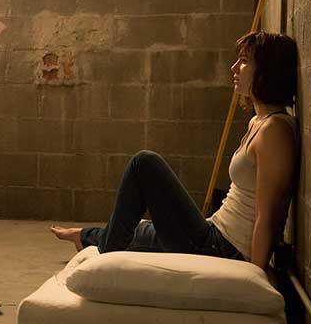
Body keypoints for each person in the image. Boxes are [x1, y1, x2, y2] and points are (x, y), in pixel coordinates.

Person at [51, 32, 298, 273]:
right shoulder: (258, 121)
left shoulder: (275, 132)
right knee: (138, 229)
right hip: (213, 231)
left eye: (243, 61)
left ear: (266, 71)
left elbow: (268, 215)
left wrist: (256, 275)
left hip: (221, 248)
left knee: (144, 164)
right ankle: (84, 237)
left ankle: (103, 261)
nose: (234, 68)